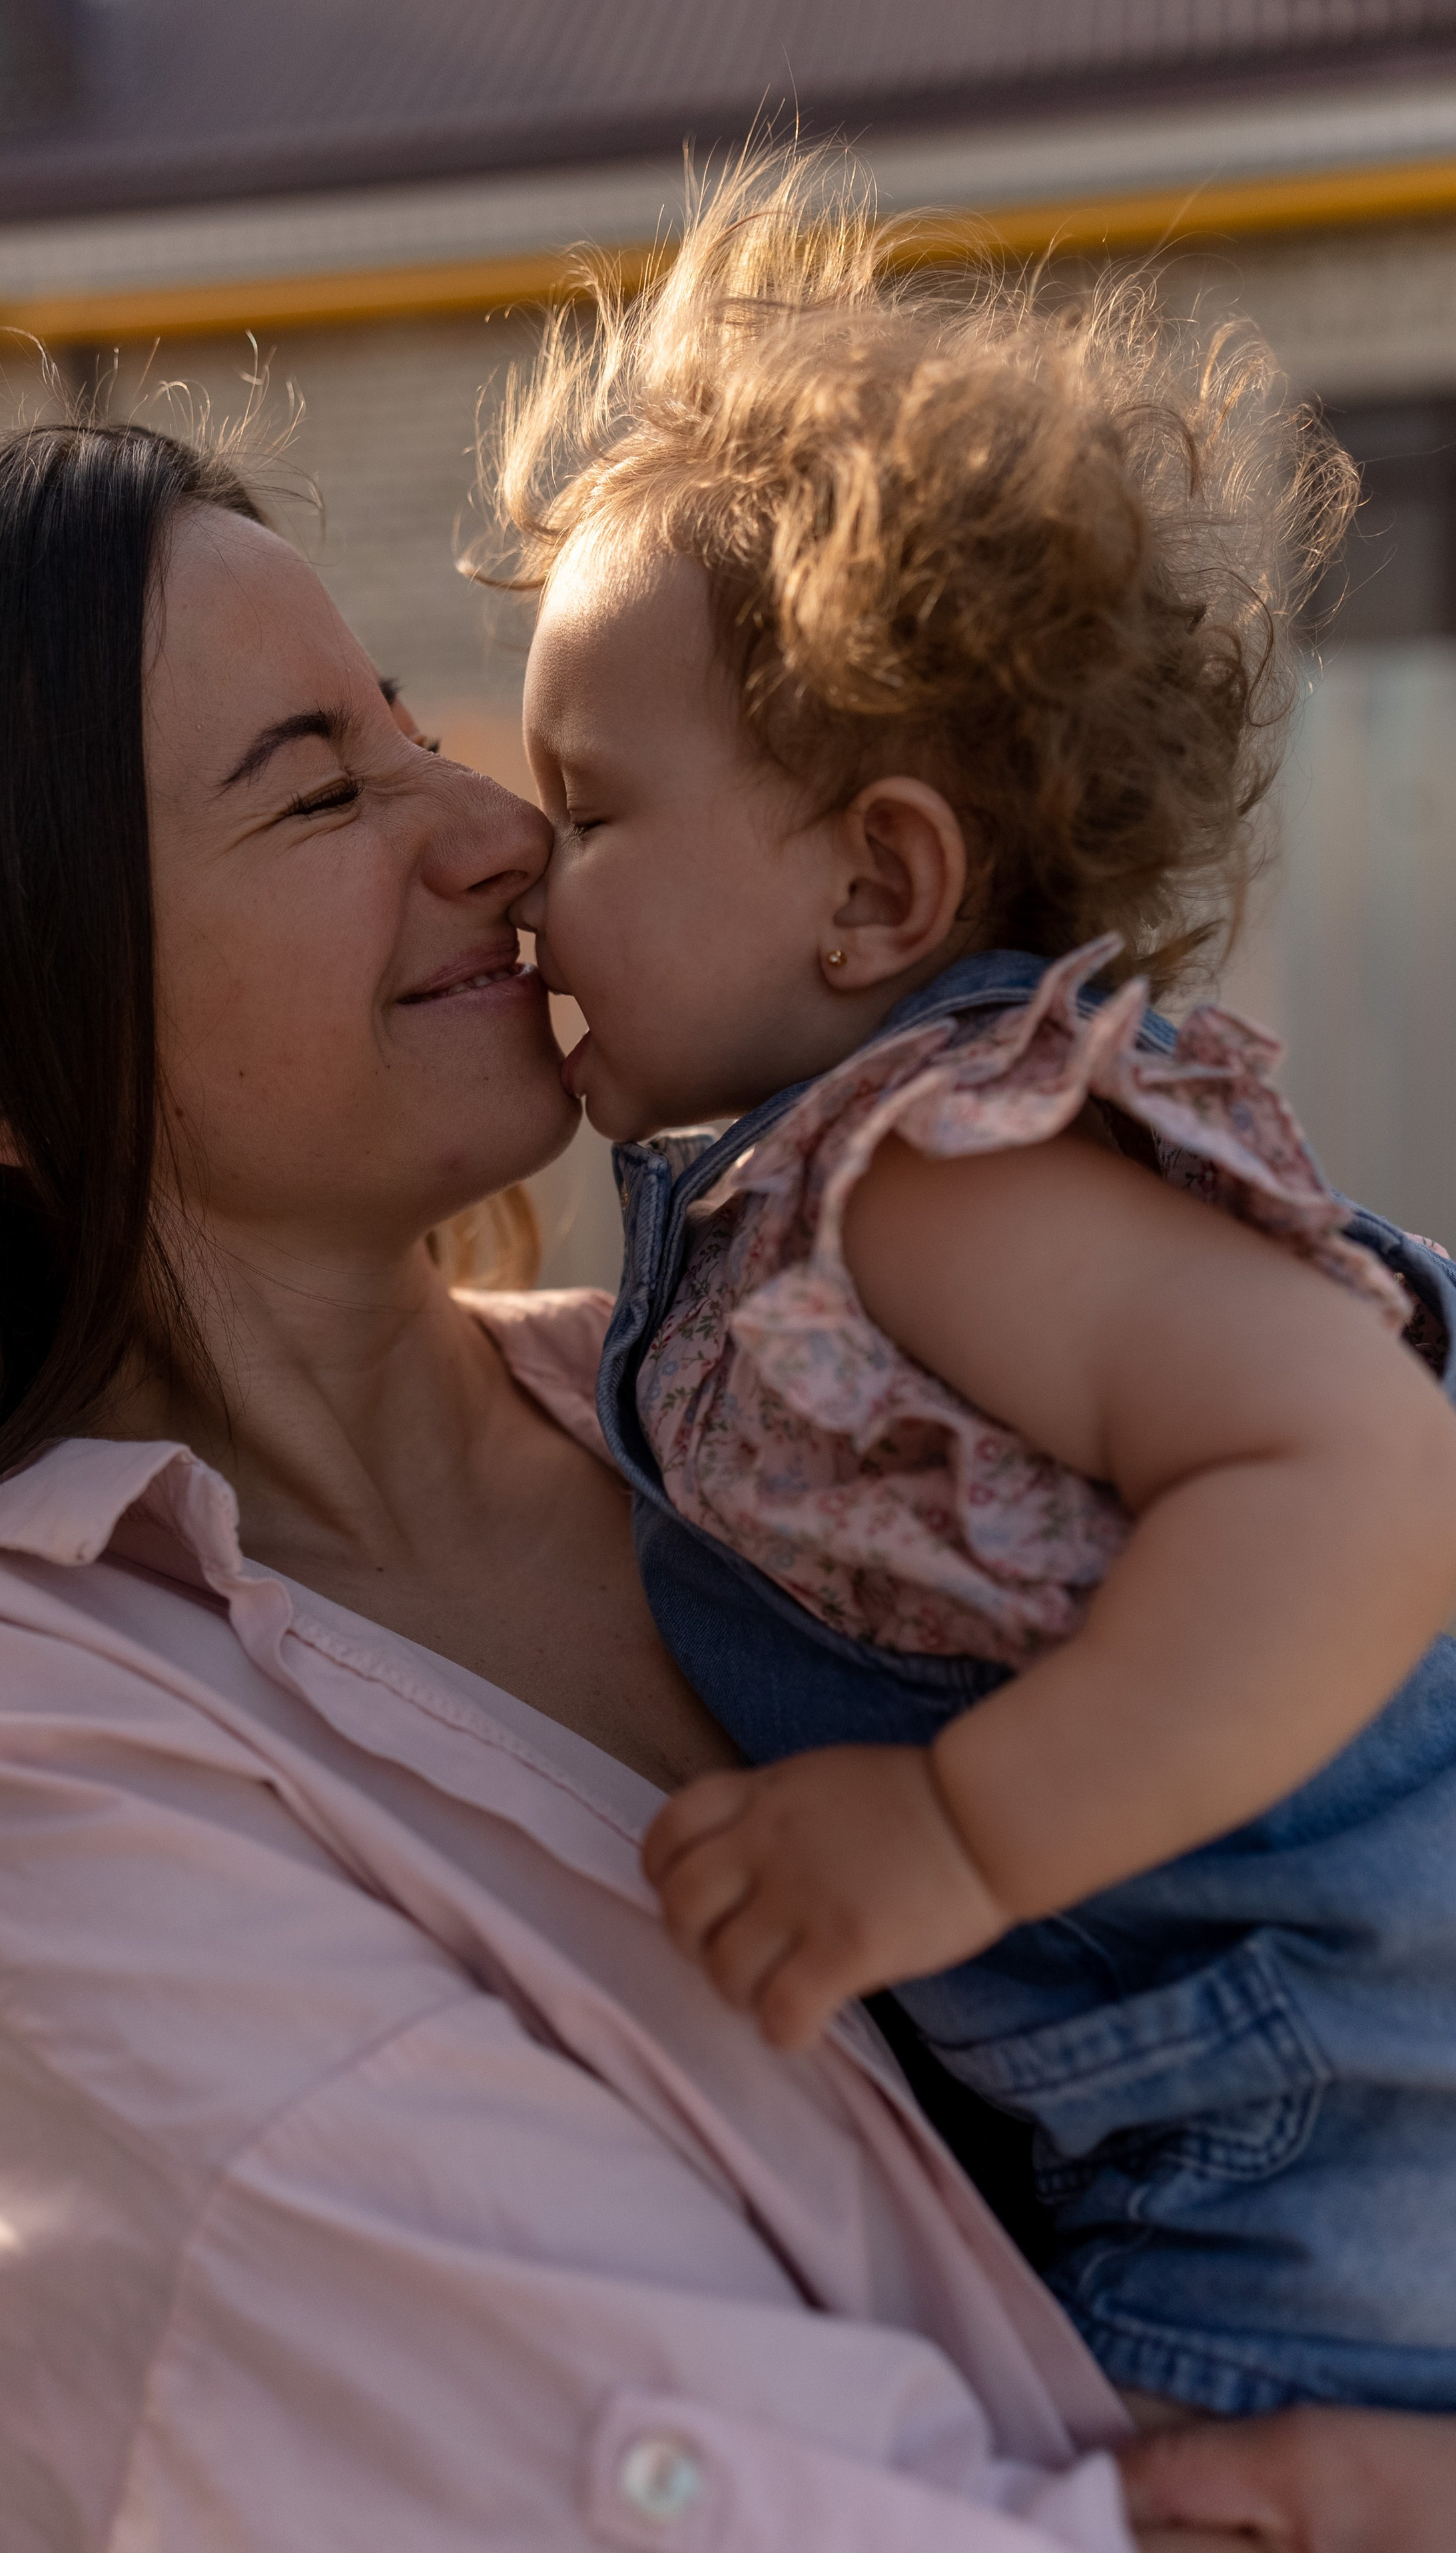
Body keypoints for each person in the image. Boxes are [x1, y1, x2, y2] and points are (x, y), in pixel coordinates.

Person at [0, 416, 1450, 2553]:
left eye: (405, 722)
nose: (493, 828)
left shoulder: (819, 1383)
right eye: (318, 788)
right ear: (4, 1062)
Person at [495, 157, 1456, 2419]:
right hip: (1216, 2085)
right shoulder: (820, 1194)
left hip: (1331, 2098)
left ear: (878, 885)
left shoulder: (931, 1174)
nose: (526, 873)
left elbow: (1367, 1470)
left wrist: (959, 1830)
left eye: (589, 808)